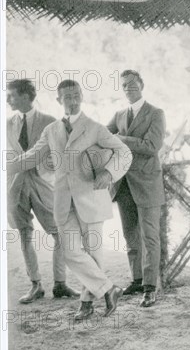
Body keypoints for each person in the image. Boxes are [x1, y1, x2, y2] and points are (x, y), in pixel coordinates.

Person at [7, 80, 132, 321]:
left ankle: (86, 304)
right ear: (59, 101)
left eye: (76, 95)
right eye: (67, 97)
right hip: (64, 202)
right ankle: (109, 289)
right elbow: (30, 158)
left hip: (92, 199)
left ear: (82, 96)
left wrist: (109, 172)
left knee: (94, 254)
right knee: (71, 252)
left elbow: (123, 152)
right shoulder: (51, 130)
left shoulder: (95, 127)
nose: (72, 100)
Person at [6, 79, 79, 304]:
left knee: (59, 232)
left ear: (27, 96)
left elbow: (58, 155)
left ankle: (60, 283)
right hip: (15, 186)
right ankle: (35, 284)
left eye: (12, 95)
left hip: (43, 184)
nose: (8, 99)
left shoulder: (49, 122)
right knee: (24, 233)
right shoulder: (7, 124)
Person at [107, 70, 165, 307]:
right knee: (131, 235)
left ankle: (151, 288)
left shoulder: (156, 113)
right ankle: (138, 280)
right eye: (124, 85)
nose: (128, 88)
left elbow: (152, 146)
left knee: (150, 236)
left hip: (148, 183)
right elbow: (103, 135)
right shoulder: (120, 114)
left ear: (142, 84)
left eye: (132, 84)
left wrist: (121, 139)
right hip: (123, 184)